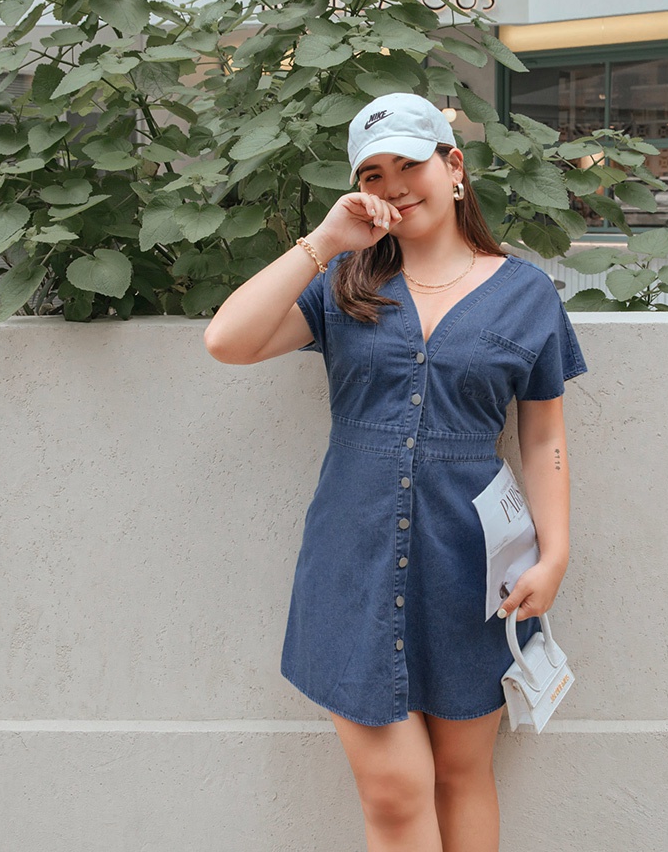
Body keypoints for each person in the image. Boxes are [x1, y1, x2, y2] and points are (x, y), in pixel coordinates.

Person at [203, 93, 587, 852]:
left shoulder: (526, 293)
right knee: (394, 791)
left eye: (409, 164)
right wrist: (325, 240)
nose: (393, 185)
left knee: (463, 775)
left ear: (454, 166)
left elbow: (543, 432)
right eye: (372, 174)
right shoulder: (345, 283)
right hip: (354, 559)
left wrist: (556, 554)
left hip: (472, 565)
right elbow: (227, 341)